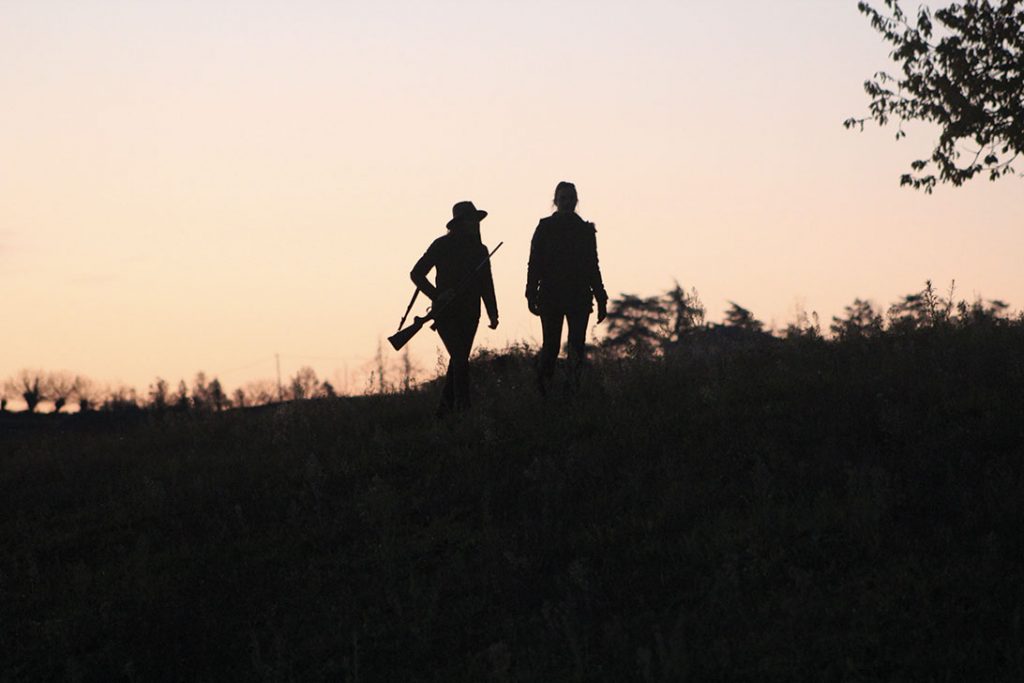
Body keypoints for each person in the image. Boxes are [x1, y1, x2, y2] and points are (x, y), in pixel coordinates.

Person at [411, 201, 499, 416]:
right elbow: (416, 274)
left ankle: (444, 412)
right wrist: (437, 295)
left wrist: (493, 312)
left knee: (458, 360)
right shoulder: (440, 245)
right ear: (460, 223)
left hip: (471, 314)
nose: (475, 224)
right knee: (460, 360)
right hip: (446, 313)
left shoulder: (480, 250)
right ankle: (463, 409)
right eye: (471, 220)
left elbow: (486, 283)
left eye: (476, 220)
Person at [526, 181, 608, 393]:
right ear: (556, 201)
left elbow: (592, 265)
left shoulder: (585, 231)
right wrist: (530, 293)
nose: (567, 202)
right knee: (551, 347)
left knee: (576, 349)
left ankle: (572, 393)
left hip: (578, 297)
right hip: (551, 296)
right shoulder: (545, 228)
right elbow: (534, 263)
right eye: (563, 198)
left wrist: (601, 297)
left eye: (571, 199)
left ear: (576, 201)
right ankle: (543, 393)